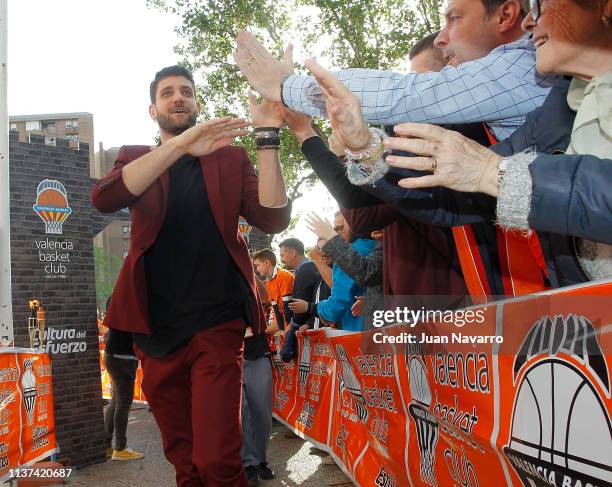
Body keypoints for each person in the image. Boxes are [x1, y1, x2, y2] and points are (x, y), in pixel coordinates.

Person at [91, 65, 291, 487]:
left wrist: (268, 137)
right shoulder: (135, 158)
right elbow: (105, 198)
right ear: (153, 109)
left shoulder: (230, 159)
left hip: (217, 322)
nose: (178, 97)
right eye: (167, 93)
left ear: (197, 103)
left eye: (186, 91)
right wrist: (182, 146)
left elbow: (272, 218)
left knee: (218, 460)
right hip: (154, 329)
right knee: (186, 463)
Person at [375, 0, 612, 287]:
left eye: (539, 5)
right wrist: (367, 152)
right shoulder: (556, 109)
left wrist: (493, 172)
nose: (528, 22)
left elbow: (493, 171)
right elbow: (455, 196)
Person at [234, 0, 555, 142]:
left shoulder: (527, 66)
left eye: (454, 19)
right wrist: (363, 149)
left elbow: (406, 96)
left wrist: (287, 87)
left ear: (507, 14)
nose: (441, 38)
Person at [290, 212, 376, 332]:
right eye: (335, 231)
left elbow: (335, 307)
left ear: (355, 222)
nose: (336, 236)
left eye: (340, 229)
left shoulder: (347, 254)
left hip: (360, 333)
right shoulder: (380, 245)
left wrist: (313, 308)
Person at [242, 276, 275, 486]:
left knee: (261, 410)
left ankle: (260, 459)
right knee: (241, 411)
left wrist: (249, 271)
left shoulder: (248, 276)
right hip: (225, 354)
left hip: (256, 351)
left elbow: (265, 297)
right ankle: (248, 464)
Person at [103, 302, 143, 461]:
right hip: (124, 358)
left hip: (111, 355)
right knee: (124, 403)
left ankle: (106, 444)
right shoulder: (134, 303)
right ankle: (120, 448)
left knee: (116, 401)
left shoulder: (116, 298)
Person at [278, 238, 321, 329]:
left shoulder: (305, 270)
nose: (281, 260)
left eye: (282, 255)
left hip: (307, 328)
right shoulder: (309, 267)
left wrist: (290, 327)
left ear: (293, 253)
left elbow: (300, 307)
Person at [252, 248, 294, 331]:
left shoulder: (284, 276)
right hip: (281, 326)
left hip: (290, 327)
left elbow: (287, 308)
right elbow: (274, 306)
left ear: (267, 263)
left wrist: (284, 331)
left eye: (258, 265)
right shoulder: (268, 281)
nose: (257, 269)